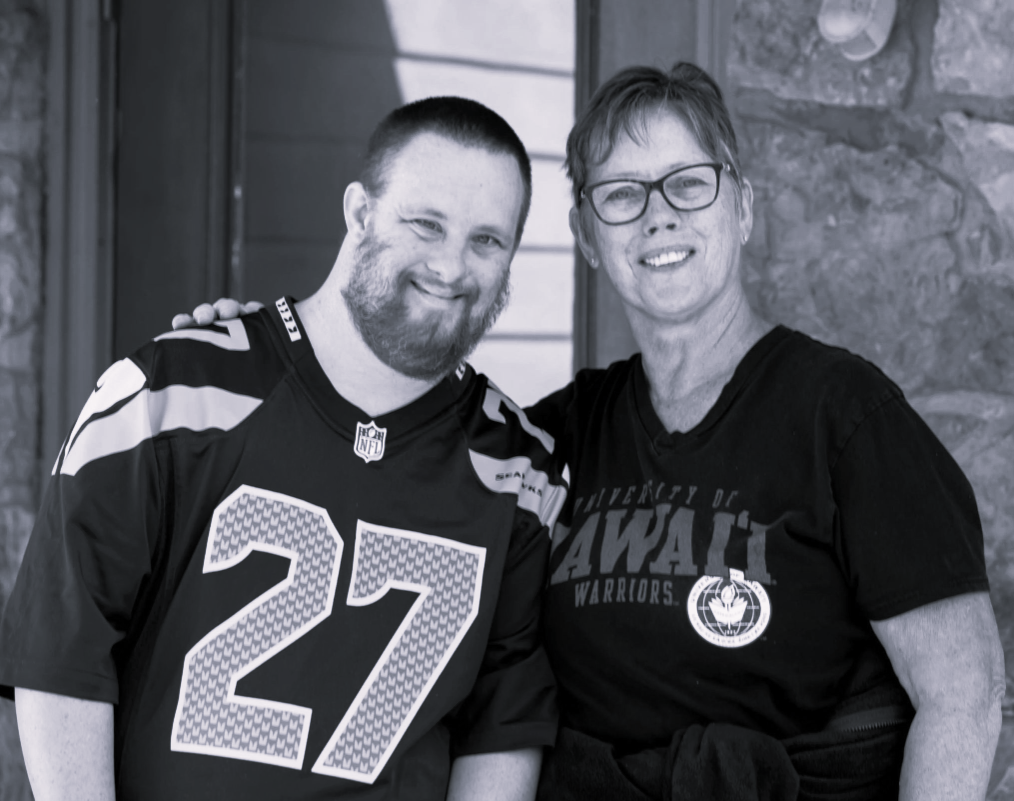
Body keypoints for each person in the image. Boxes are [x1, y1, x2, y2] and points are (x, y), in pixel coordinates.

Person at [190, 63, 1006, 800]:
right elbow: (382, 457)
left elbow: (963, 695)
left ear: (743, 208)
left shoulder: (845, 416)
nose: (658, 217)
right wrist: (275, 359)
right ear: (587, 235)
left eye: (688, 183)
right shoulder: (556, 435)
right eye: (621, 194)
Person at [0, 96, 568, 801]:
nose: (452, 267)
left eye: (488, 241)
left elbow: (500, 727)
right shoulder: (171, 393)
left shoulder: (519, 471)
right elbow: (63, 653)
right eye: (427, 223)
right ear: (360, 212)